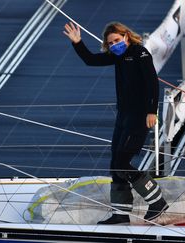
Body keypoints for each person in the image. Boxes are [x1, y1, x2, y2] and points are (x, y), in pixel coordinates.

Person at [63, 22, 168, 224]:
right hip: (123, 117)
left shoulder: (140, 53)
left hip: (139, 117)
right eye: (110, 43)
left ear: (126, 36)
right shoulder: (118, 56)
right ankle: (120, 213)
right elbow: (90, 60)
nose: (114, 45)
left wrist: (151, 111)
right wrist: (78, 43)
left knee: (122, 162)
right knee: (115, 164)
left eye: (117, 40)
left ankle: (157, 201)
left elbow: (152, 82)